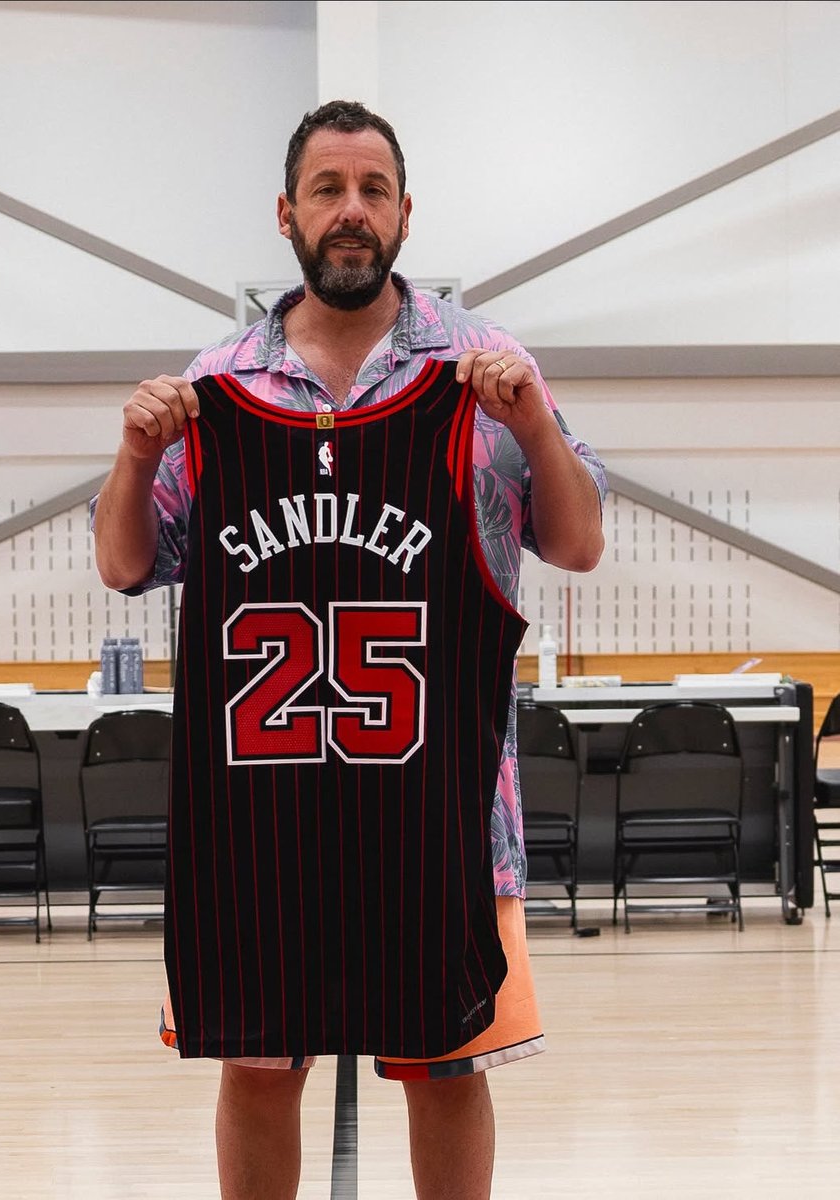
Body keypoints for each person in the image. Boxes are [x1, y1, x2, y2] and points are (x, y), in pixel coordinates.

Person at [93, 100, 606, 1200]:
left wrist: (531, 428)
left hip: (444, 810)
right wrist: (136, 456)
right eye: (327, 189)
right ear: (287, 213)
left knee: (445, 1063)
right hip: (260, 816)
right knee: (258, 1065)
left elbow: (576, 542)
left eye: (371, 189)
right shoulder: (217, 384)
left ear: (404, 216)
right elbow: (125, 565)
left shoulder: (485, 370)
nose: (349, 211)